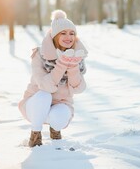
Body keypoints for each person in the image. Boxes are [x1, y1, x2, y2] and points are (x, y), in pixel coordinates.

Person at [18, 10, 88, 147]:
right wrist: (61, 65)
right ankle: (35, 134)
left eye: (72, 33)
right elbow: (46, 86)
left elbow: (78, 88)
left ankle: (55, 129)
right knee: (45, 95)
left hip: (60, 103)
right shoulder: (40, 54)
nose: (69, 37)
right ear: (55, 35)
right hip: (35, 103)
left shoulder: (76, 56)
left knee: (60, 115)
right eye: (63, 33)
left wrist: (72, 65)